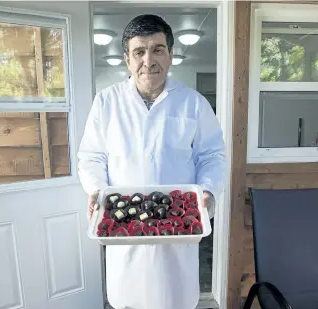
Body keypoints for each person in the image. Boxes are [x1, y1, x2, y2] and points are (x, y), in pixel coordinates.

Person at [78, 14, 226, 309]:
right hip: (125, 220)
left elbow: (212, 155)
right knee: (128, 298)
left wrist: (208, 190)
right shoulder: (106, 102)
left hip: (178, 222)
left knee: (175, 298)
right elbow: (92, 155)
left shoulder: (192, 103)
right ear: (127, 59)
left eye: (158, 49)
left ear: (171, 55)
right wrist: (97, 189)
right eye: (139, 51)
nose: (149, 60)